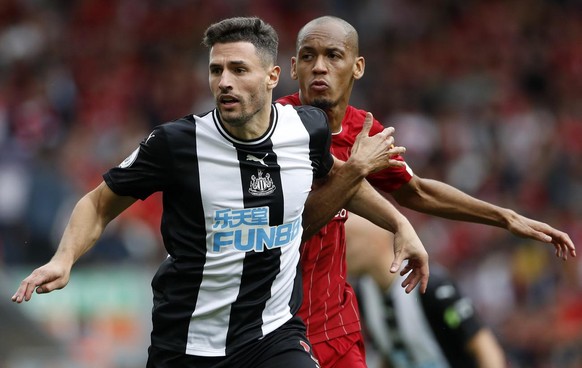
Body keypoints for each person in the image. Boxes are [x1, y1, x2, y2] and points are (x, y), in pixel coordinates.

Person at [11, 17, 429, 368]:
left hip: (273, 336)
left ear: (271, 77)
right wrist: (63, 259)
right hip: (187, 343)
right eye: (216, 70)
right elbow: (98, 203)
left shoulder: (306, 130)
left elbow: (337, 178)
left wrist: (399, 224)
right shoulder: (175, 144)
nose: (225, 82)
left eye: (238, 70)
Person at [277, 15, 575, 368]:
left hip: (336, 326)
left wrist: (505, 217)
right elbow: (297, 222)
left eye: (333, 55)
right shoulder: (276, 128)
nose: (319, 67)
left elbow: (416, 192)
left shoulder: (362, 129)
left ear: (357, 67)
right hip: (279, 326)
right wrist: (396, 218)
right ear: (294, 67)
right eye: (308, 57)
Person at [348, 214, 506, 368]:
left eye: (348, 242)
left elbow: (484, 346)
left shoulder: (430, 286)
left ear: (376, 241)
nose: (341, 252)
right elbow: (391, 354)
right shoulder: (363, 294)